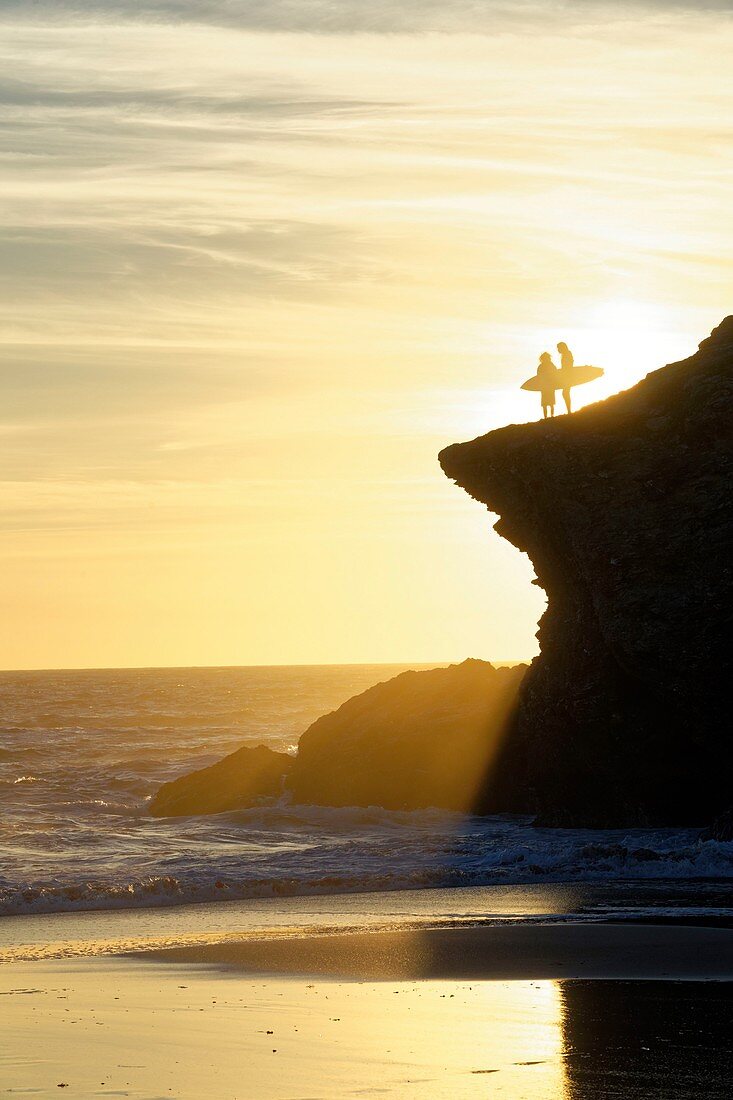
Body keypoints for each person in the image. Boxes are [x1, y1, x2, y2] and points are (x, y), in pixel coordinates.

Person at [537, 351, 558, 419]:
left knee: (550, 403)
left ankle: (551, 416)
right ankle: (546, 417)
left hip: (550, 386)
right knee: (545, 404)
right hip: (545, 387)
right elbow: (538, 377)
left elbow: (556, 373)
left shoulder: (550, 365)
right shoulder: (541, 366)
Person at [557, 341, 574, 414]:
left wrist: (566, 372)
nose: (558, 350)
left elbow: (570, 364)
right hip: (566, 376)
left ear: (562, 348)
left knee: (565, 393)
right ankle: (569, 410)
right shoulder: (565, 354)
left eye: (558, 348)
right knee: (565, 393)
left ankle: (569, 411)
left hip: (568, 376)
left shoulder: (567, 353)